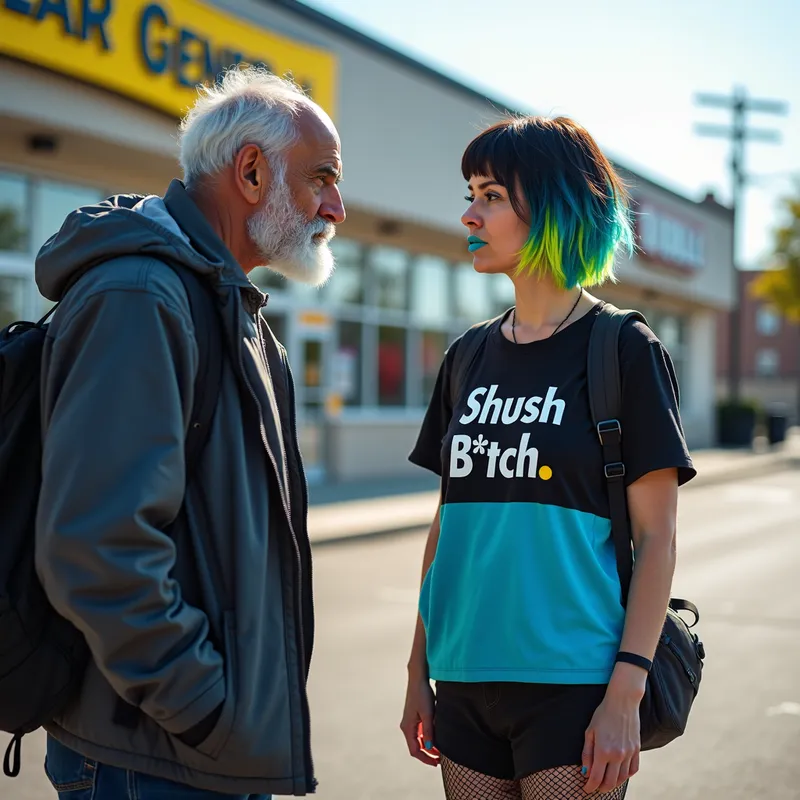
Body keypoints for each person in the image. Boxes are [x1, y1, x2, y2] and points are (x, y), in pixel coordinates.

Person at [34, 66, 344, 799]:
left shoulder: (235, 313)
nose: (336, 204)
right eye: (322, 178)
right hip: (153, 758)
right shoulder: (142, 297)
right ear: (249, 171)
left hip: (195, 754)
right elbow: (97, 544)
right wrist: (206, 711)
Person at [400, 115, 695, 800]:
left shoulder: (623, 349)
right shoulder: (466, 356)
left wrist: (626, 689)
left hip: (575, 684)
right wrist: (418, 669)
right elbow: (447, 528)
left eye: (493, 195)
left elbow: (657, 539)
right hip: (464, 677)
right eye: (470, 192)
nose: (469, 213)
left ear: (556, 205)